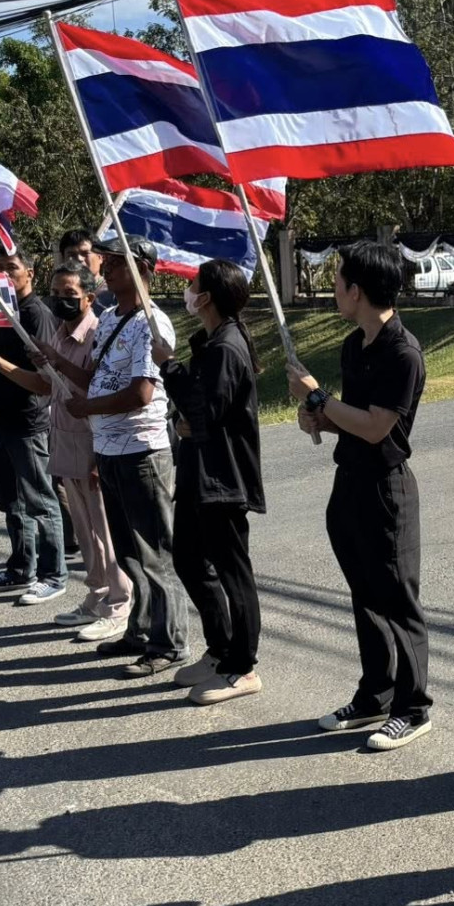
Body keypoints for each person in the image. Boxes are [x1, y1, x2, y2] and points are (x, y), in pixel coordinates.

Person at [286, 241, 432, 752]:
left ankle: (413, 707)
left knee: (397, 600)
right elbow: (346, 418)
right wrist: (317, 416)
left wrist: (319, 396)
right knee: (364, 596)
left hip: (387, 488)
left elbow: (375, 426)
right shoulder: (355, 345)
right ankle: (376, 694)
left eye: (338, 281)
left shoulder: (402, 352)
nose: (334, 290)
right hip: (348, 482)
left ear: (358, 290)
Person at [54, 235, 191, 679]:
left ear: (142, 271)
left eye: (115, 264)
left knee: (155, 552)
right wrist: (55, 361)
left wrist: (87, 409)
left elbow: (141, 392)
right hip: (109, 449)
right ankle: (141, 629)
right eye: (107, 263)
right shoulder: (112, 318)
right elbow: (95, 379)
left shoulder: (152, 323)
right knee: (129, 552)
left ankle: (170, 642)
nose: (106, 270)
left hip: (142, 450)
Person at [0, 262, 130, 633]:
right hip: (64, 439)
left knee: (105, 531)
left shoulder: (98, 333)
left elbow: (98, 387)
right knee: (85, 531)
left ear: (89, 297)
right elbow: (44, 385)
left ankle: (119, 605)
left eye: (70, 294)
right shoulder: (60, 334)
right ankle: (97, 594)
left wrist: (99, 457)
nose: (61, 301)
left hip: (93, 442)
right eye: (56, 293)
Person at [160, 259, 266, 706]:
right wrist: (185, 416)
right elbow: (197, 412)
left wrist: (169, 368)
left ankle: (243, 666)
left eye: (194, 285)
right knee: (188, 558)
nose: (188, 291)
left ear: (207, 297)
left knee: (232, 572)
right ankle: (220, 649)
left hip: (223, 477)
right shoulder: (211, 341)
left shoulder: (227, 346)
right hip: (198, 473)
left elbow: (205, 412)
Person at [0, 248, 67, 605]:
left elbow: (43, 380)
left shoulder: (37, 315)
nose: (4, 275)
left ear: (30, 273)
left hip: (27, 420)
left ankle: (54, 574)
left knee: (40, 500)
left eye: (12, 268)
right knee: (11, 500)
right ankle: (21, 568)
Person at [59, 228, 114, 312]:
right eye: (72, 255)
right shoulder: (59, 295)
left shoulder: (114, 294)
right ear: (63, 259)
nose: (79, 259)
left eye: (85, 253)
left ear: (100, 257)